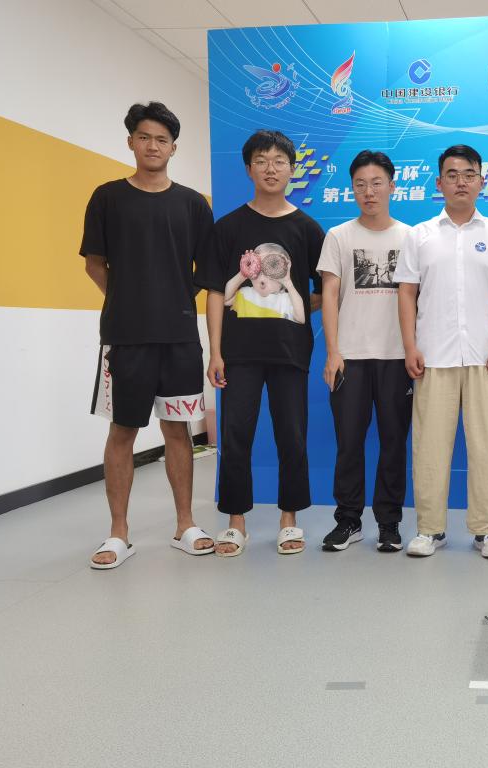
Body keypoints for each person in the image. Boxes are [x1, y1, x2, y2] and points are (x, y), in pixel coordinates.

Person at [82, 102, 215, 569]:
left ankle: (185, 525)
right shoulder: (107, 197)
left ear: (174, 148)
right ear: (131, 142)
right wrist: (128, 301)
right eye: (144, 137)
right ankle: (118, 533)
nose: (153, 146)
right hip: (125, 338)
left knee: (178, 430)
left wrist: (173, 300)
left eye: (162, 139)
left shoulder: (193, 204)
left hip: (179, 338)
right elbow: (94, 263)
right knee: (123, 431)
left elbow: (206, 269)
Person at [394, 144, 488, 558]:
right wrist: (410, 346)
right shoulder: (420, 235)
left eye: (469, 174)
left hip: (486, 358)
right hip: (433, 356)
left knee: (487, 445)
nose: (460, 182)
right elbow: (406, 293)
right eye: (452, 175)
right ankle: (430, 529)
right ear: (439, 182)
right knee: (430, 446)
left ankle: (487, 530)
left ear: (481, 181)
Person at [195, 129, 324, 557]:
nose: (271, 168)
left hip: (290, 353)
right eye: (262, 161)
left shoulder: (307, 229)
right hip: (239, 354)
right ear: (249, 168)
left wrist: (285, 308)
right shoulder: (229, 227)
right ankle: (236, 523)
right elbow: (216, 292)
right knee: (236, 436)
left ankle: (289, 519)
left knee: (292, 436)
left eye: (279, 161)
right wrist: (215, 351)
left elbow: (324, 292)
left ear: (292, 169)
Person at [319, 150, 412, 553]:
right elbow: (330, 293)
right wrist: (333, 351)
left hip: (397, 356)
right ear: (352, 189)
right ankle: (348, 520)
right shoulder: (339, 236)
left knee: (394, 443)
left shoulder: (410, 237)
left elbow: (419, 297)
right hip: (350, 357)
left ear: (392, 187)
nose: (368, 192)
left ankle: (389, 523)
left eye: (376, 183)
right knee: (349, 442)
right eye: (360, 184)